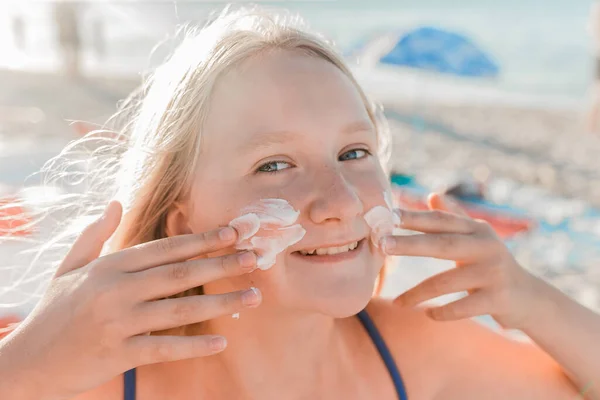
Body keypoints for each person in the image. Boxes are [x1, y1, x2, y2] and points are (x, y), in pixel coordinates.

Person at [0, 7, 599, 400]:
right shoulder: (86, 378)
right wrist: (22, 368)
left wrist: (530, 300)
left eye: (354, 153)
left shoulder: (410, 352)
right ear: (182, 220)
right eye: (274, 165)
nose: (338, 200)